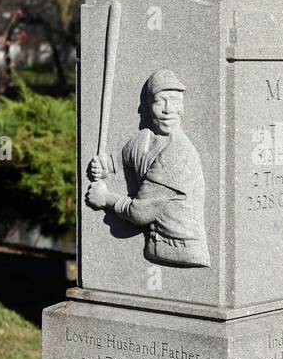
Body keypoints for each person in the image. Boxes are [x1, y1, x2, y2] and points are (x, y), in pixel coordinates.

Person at [86, 68, 210, 269]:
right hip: (156, 246)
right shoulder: (144, 138)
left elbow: (140, 213)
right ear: (148, 105)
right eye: (161, 101)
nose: (168, 109)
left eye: (175, 101)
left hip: (182, 249)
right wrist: (104, 166)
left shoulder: (178, 152)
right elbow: (119, 162)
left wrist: (105, 198)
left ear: (182, 107)